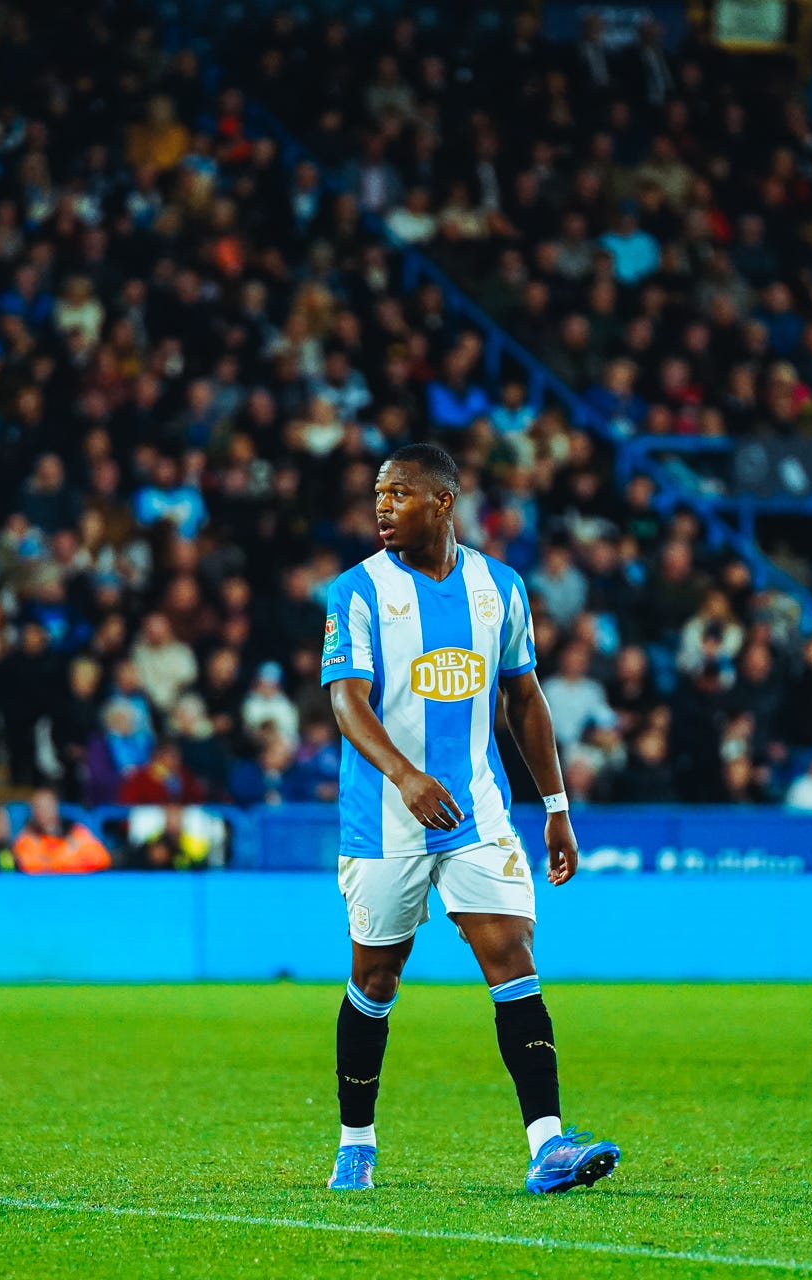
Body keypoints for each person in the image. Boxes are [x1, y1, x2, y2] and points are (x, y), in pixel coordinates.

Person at [319, 444, 617, 1194]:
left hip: (477, 814)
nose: (383, 506)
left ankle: (547, 1145)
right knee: (375, 978)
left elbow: (525, 698)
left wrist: (556, 807)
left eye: (399, 493)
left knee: (513, 957)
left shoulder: (500, 587)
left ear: (443, 502)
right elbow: (346, 701)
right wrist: (405, 775)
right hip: (384, 819)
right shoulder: (357, 592)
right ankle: (356, 1143)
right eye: (379, 494)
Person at [12, 788, 110, 874]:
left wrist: (50, 860)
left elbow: (102, 859)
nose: (44, 812)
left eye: (48, 806)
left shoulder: (75, 832)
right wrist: (69, 854)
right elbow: (30, 865)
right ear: (33, 812)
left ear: (56, 807)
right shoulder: (27, 838)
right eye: (39, 807)